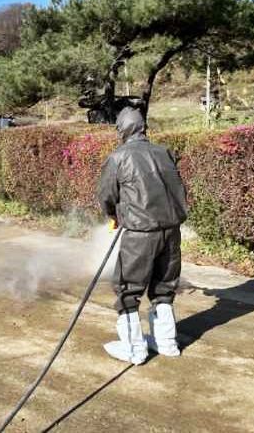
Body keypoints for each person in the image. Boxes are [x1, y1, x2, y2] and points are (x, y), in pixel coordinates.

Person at [98, 107, 188, 365]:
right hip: (171, 232)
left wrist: (114, 215)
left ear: (123, 130)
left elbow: (106, 196)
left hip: (140, 235)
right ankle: (167, 343)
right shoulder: (164, 153)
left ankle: (134, 350)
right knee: (164, 286)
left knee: (128, 289)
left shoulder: (118, 158)